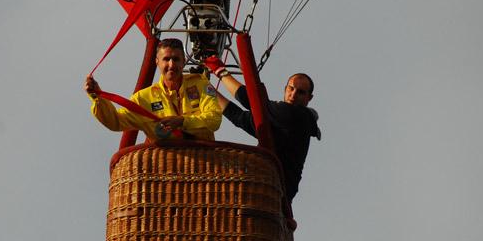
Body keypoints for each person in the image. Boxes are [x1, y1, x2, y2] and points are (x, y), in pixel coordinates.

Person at [205, 57, 321, 202]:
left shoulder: (298, 116)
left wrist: (219, 71)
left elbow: (252, 101)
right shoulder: (276, 123)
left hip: (273, 189)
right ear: (285, 89)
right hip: (270, 191)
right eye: (291, 88)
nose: (293, 95)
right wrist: (205, 88)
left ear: (309, 98)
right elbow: (239, 117)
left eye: (301, 92)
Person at [84, 38, 222, 141]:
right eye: (166, 59)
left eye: (176, 59)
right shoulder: (144, 98)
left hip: (202, 164)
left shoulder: (199, 84)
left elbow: (214, 120)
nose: (171, 64)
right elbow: (115, 121)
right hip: (164, 169)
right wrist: (97, 97)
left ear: (184, 61)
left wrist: (182, 121)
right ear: (157, 62)